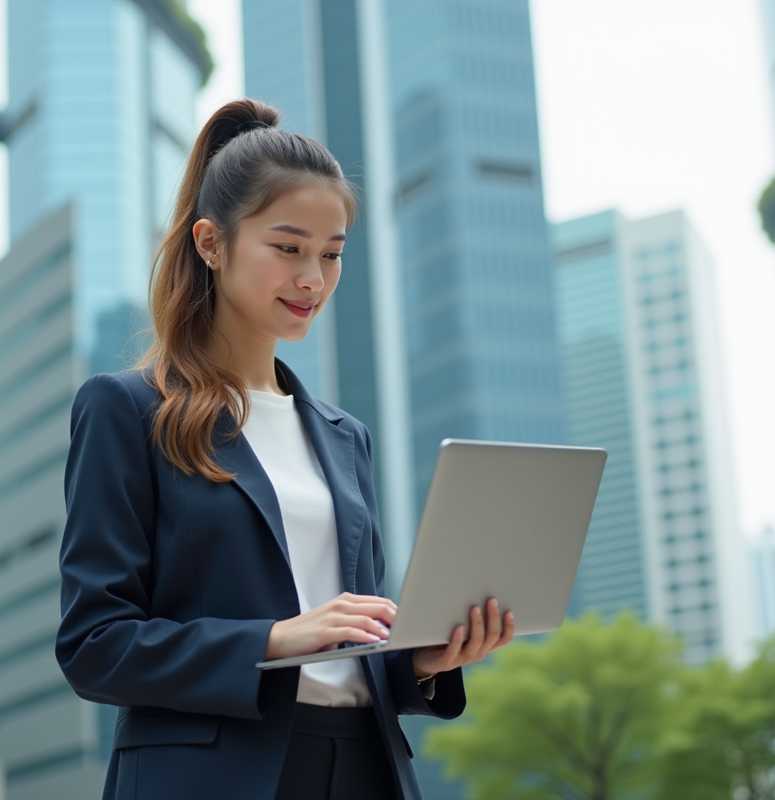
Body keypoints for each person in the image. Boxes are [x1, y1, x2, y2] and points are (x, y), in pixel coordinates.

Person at [56, 98, 515, 800]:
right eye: (288, 248)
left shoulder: (343, 437)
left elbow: (351, 646)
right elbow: (95, 645)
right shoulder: (127, 409)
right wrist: (271, 640)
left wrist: (419, 658)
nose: (313, 279)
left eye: (331, 255)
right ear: (212, 243)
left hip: (363, 766)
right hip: (211, 776)